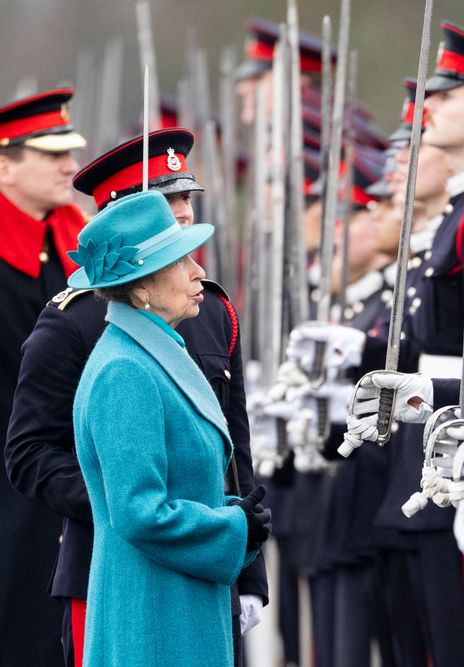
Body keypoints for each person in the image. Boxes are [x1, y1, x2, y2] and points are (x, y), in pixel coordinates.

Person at [5, 128, 268, 667]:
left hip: (209, 561)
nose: (185, 214)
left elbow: (233, 455)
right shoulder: (75, 322)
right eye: (166, 203)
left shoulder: (212, 310)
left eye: (186, 199)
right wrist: (117, 497)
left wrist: (247, 569)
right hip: (117, 564)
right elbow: (31, 453)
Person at [68, 190, 272, 666]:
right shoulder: (126, 370)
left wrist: (230, 510)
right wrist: (233, 528)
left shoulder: (151, 353)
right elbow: (139, 510)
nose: (199, 271)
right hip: (152, 613)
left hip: (175, 600)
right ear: (141, 288)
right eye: (181, 261)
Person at [0, 87, 88, 667]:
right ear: (4, 164)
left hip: (68, 469)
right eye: (51, 154)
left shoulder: (82, 243)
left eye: (70, 151)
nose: (70, 166)